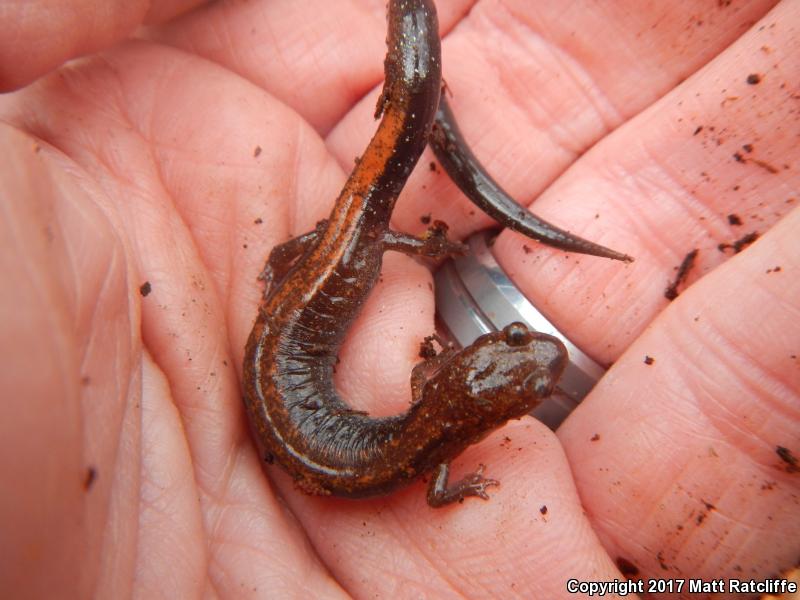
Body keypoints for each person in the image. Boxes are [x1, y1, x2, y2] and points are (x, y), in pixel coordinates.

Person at [1, 1, 797, 597]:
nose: (524, 358)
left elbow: (438, 452)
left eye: (514, 361)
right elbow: (438, 463)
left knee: (361, 223)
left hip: (292, 345)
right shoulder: (432, 443)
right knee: (361, 224)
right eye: (516, 356)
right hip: (293, 330)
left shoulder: (435, 446)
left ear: (480, 387)